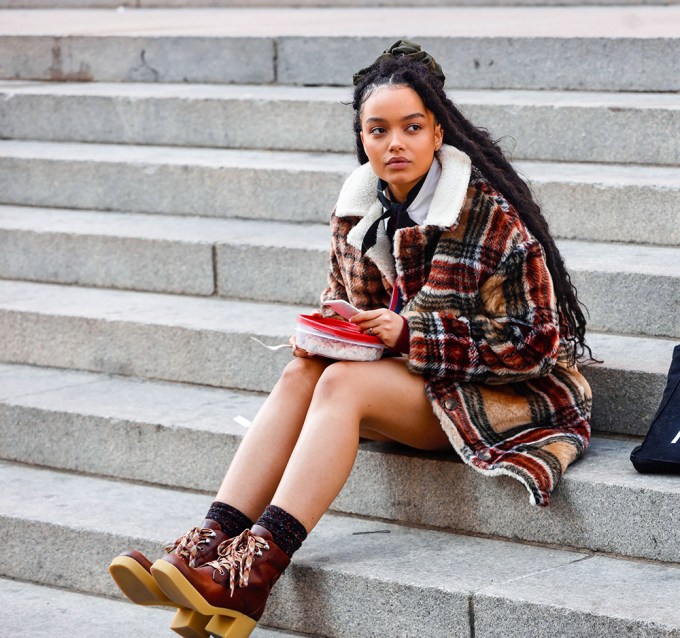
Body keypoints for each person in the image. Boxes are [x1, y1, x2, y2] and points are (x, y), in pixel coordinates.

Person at [109, 40, 593, 638]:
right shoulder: (359, 209)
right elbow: (346, 302)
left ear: (438, 133)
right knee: (303, 372)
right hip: (400, 380)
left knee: (339, 384)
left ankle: (255, 570)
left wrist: (413, 332)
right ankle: (210, 542)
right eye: (379, 129)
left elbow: (536, 343)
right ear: (362, 137)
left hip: (491, 399)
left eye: (412, 128)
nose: (396, 143)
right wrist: (329, 330)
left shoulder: (488, 216)